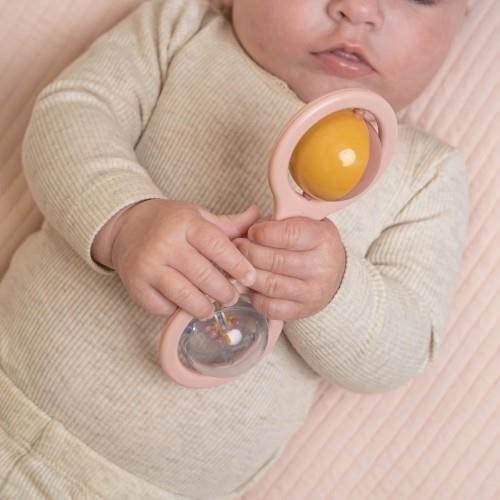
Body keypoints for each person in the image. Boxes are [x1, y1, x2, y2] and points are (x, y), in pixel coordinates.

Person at [0, 0, 469, 498]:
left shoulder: (424, 174)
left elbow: (405, 348)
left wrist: (334, 293)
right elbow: (70, 114)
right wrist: (124, 219)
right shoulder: (185, 31)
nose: (356, 10)